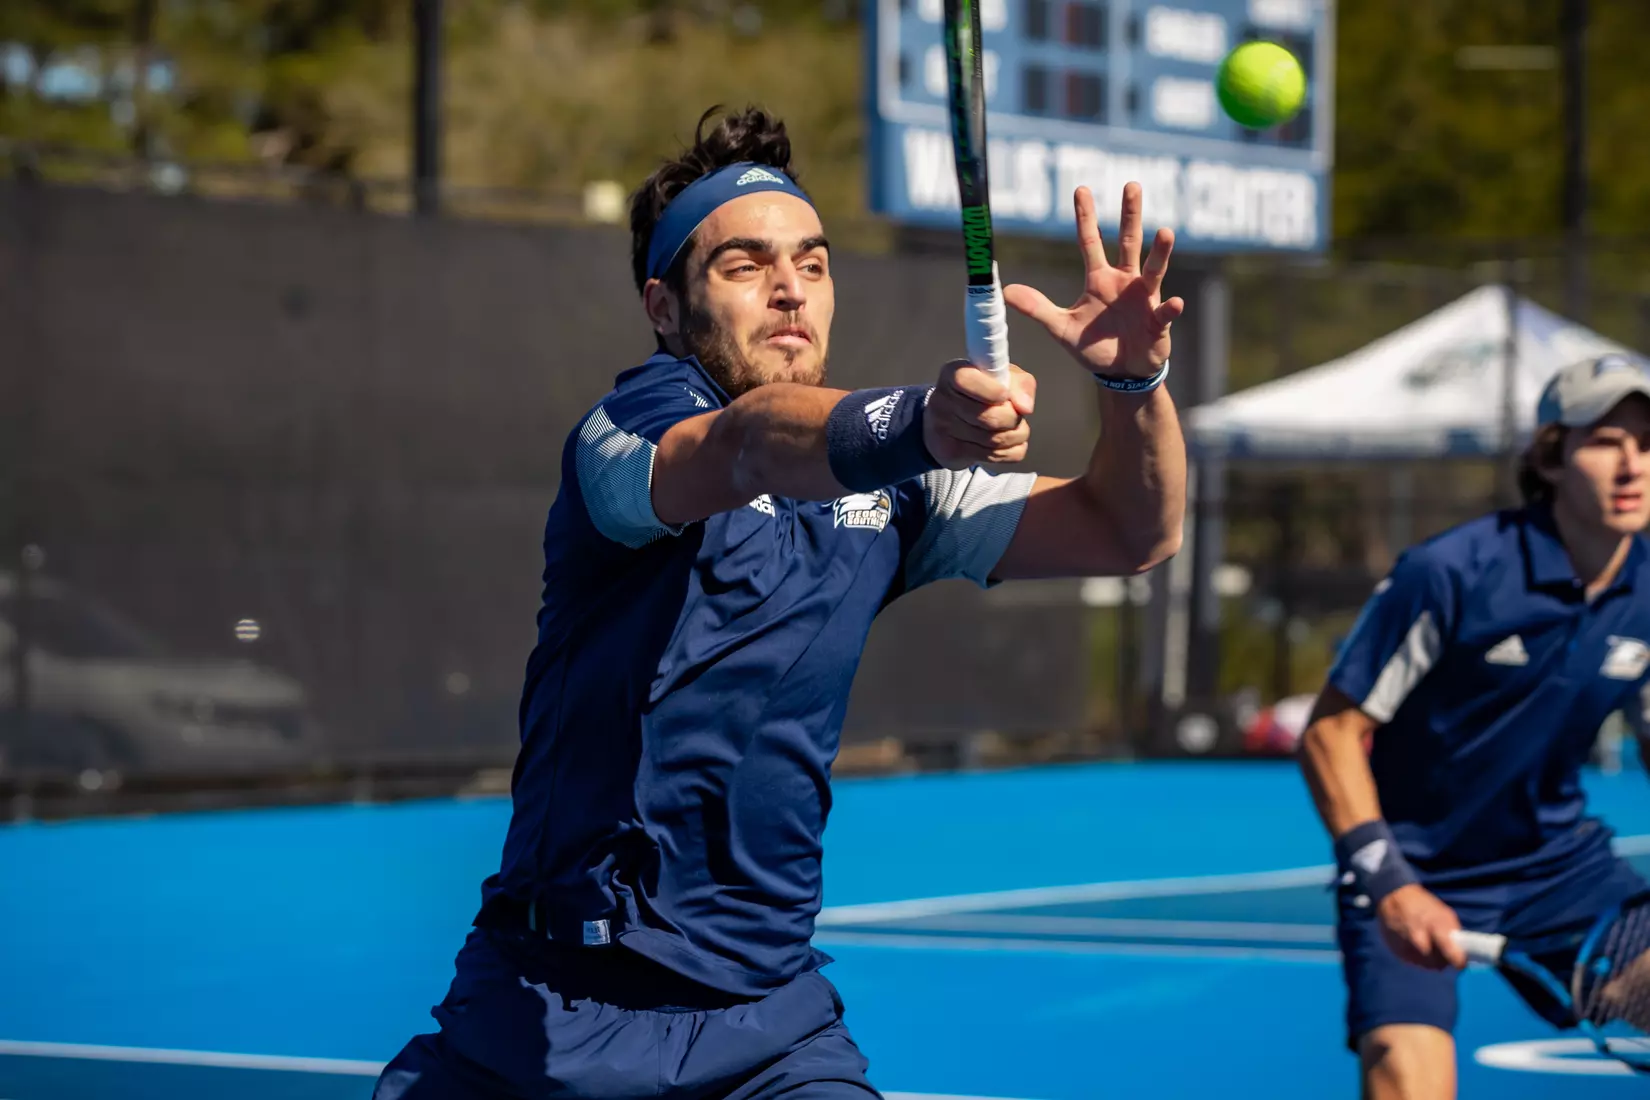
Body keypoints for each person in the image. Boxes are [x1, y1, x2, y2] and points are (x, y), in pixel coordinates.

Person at [373, 105, 1187, 1099]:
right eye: (745, 265)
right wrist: (925, 420)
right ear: (664, 306)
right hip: (550, 1012)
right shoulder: (626, 442)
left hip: (769, 1027)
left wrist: (1136, 382)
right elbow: (751, 442)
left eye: (812, 260)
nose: (792, 287)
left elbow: (1128, 531)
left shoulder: (893, 495)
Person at [1298, 351, 1650, 1100]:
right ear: (1552, 458)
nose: (1633, 466)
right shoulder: (1452, 572)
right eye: (1605, 442)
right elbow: (1328, 734)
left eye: (1647, 445)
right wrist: (1390, 885)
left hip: (1561, 870)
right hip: (1409, 863)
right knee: (1404, 1074)